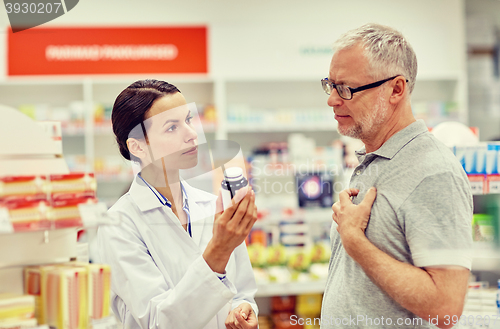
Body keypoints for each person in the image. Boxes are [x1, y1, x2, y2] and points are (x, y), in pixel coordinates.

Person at [319, 24, 472, 329]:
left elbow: (446, 308)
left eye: (346, 88)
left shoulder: (433, 172)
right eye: (330, 85)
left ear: (396, 89)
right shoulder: (375, 158)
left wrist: (355, 241)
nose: (332, 100)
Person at [96, 79, 259, 329]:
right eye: (172, 128)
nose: (192, 134)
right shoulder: (118, 226)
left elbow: (242, 291)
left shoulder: (211, 205)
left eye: (188, 120)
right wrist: (218, 251)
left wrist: (244, 309)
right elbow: (158, 322)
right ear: (138, 146)